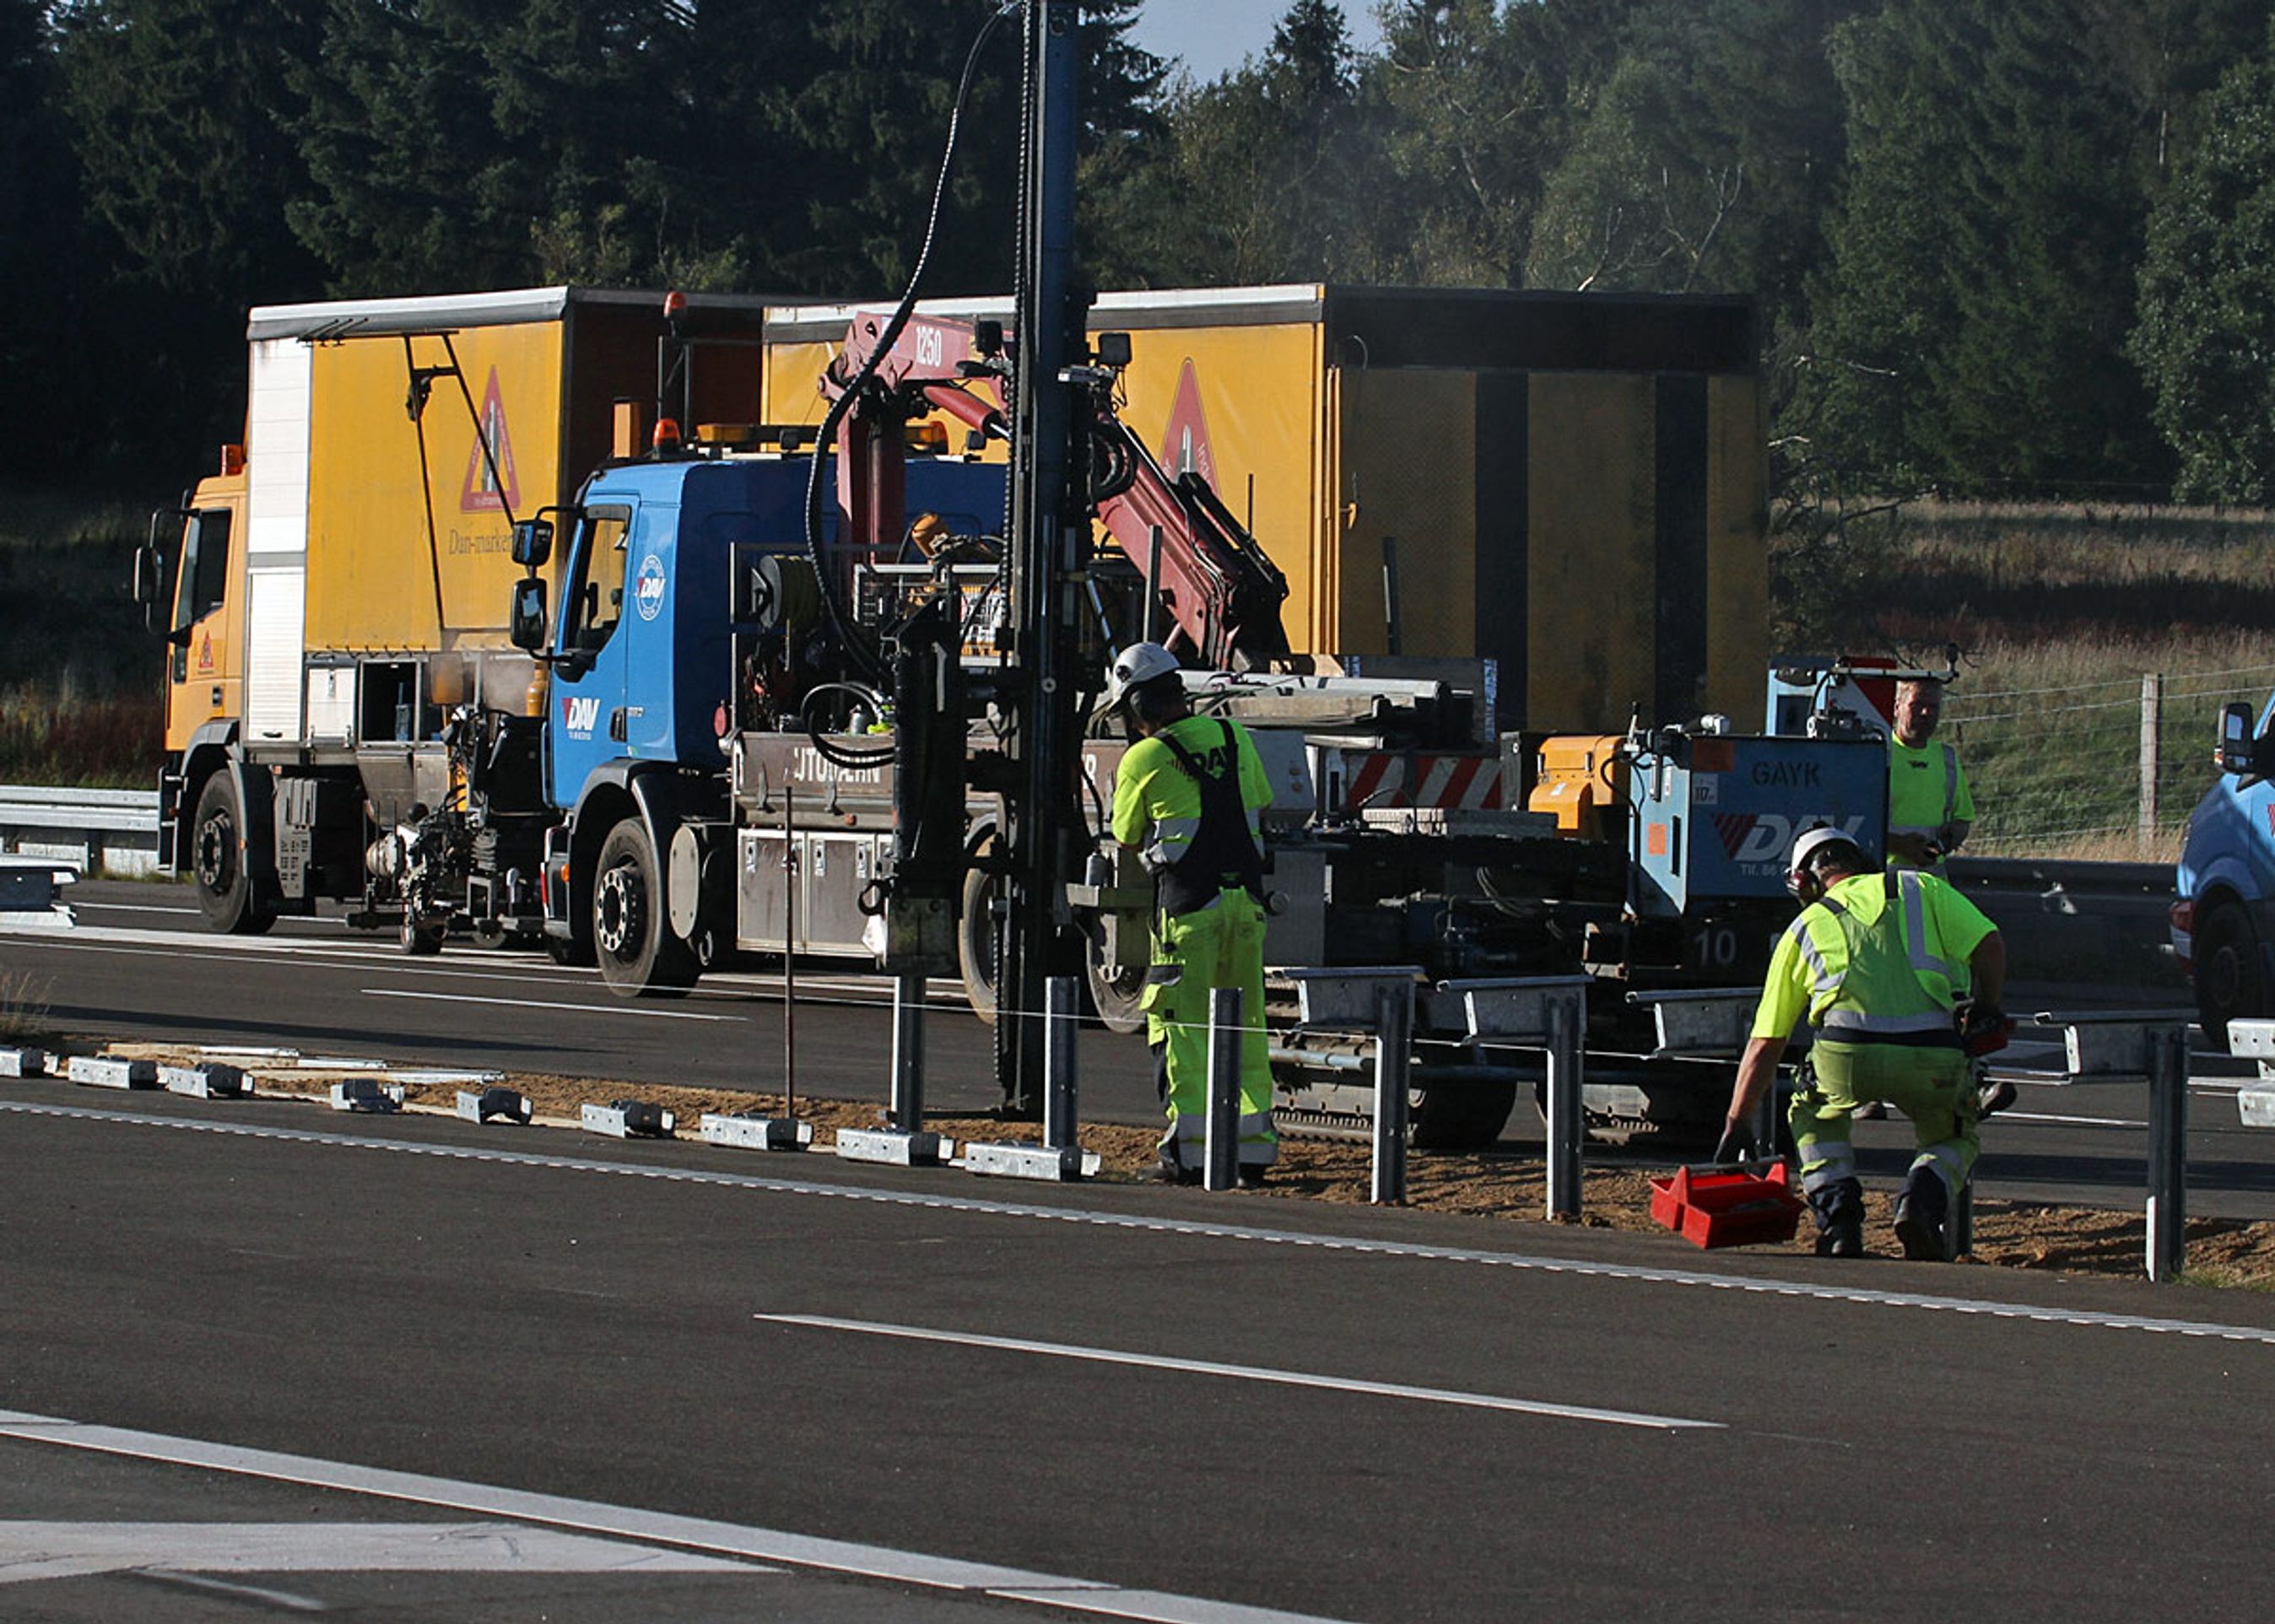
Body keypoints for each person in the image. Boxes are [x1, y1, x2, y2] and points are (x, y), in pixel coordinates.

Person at [1716, 825, 2006, 1260]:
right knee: (1954, 1132)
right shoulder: (1920, 886)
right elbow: (1989, 944)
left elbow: (1766, 1042)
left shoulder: (1804, 926)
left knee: (1813, 1116)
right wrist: (1987, 1007)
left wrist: (1737, 1122)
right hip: (1932, 1055)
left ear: (1803, 882)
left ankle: (1840, 1224)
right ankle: (1919, 1204)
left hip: (1846, 1059)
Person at [1106, 640, 1278, 1186]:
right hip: (1246, 906)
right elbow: (1261, 801)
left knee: (1181, 1028)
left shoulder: (1145, 756)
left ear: (1138, 709)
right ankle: (1250, 1151)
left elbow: (1126, 834)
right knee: (1246, 1027)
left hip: (1188, 913)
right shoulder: (1237, 738)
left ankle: (1190, 1153)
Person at [1885, 677, 1974, 872]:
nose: (1926, 713)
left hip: (1932, 885)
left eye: (1933, 707)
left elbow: (1962, 820)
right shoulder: (1879, 756)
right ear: (1897, 708)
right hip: (1885, 884)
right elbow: (1857, 827)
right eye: (1917, 706)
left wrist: (1939, 847)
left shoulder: (1947, 758)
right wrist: (1900, 845)